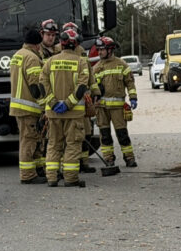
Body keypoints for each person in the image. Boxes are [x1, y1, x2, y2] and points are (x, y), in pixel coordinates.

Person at [40, 28, 91, 188]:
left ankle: (52, 178)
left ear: (61, 44)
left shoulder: (50, 61)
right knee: (72, 145)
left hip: (53, 113)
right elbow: (82, 87)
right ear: (76, 45)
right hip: (74, 114)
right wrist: (68, 104)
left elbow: (42, 85)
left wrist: (53, 103)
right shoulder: (81, 62)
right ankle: (70, 178)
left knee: (54, 144)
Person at [91, 36, 139, 171]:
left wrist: (133, 97)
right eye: (98, 50)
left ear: (110, 50)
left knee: (122, 134)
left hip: (118, 108)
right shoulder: (96, 68)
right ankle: (109, 159)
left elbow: (130, 82)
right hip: (101, 109)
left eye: (102, 50)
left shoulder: (121, 64)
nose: (99, 52)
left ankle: (129, 158)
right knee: (105, 136)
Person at [8, 29, 47, 184]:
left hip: (19, 105)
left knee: (34, 139)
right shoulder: (32, 58)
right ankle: (28, 175)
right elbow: (35, 86)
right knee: (29, 140)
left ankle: (38, 170)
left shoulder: (17, 55)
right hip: (29, 107)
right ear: (37, 45)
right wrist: (44, 105)